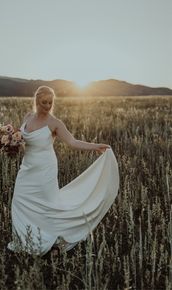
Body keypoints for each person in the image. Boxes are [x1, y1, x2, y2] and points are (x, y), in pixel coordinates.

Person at [7, 86, 119, 256]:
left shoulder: (55, 123)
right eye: (44, 102)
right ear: (37, 101)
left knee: (46, 206)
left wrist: (95, 146)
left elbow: (73, 142)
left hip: (45, 170)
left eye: (50, 102)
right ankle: (25, 241)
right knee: (19, 201)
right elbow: (22, 140)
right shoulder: (28, 117)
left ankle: (49, 240)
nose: (47, 105)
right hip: (27, 168)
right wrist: (10, 144)